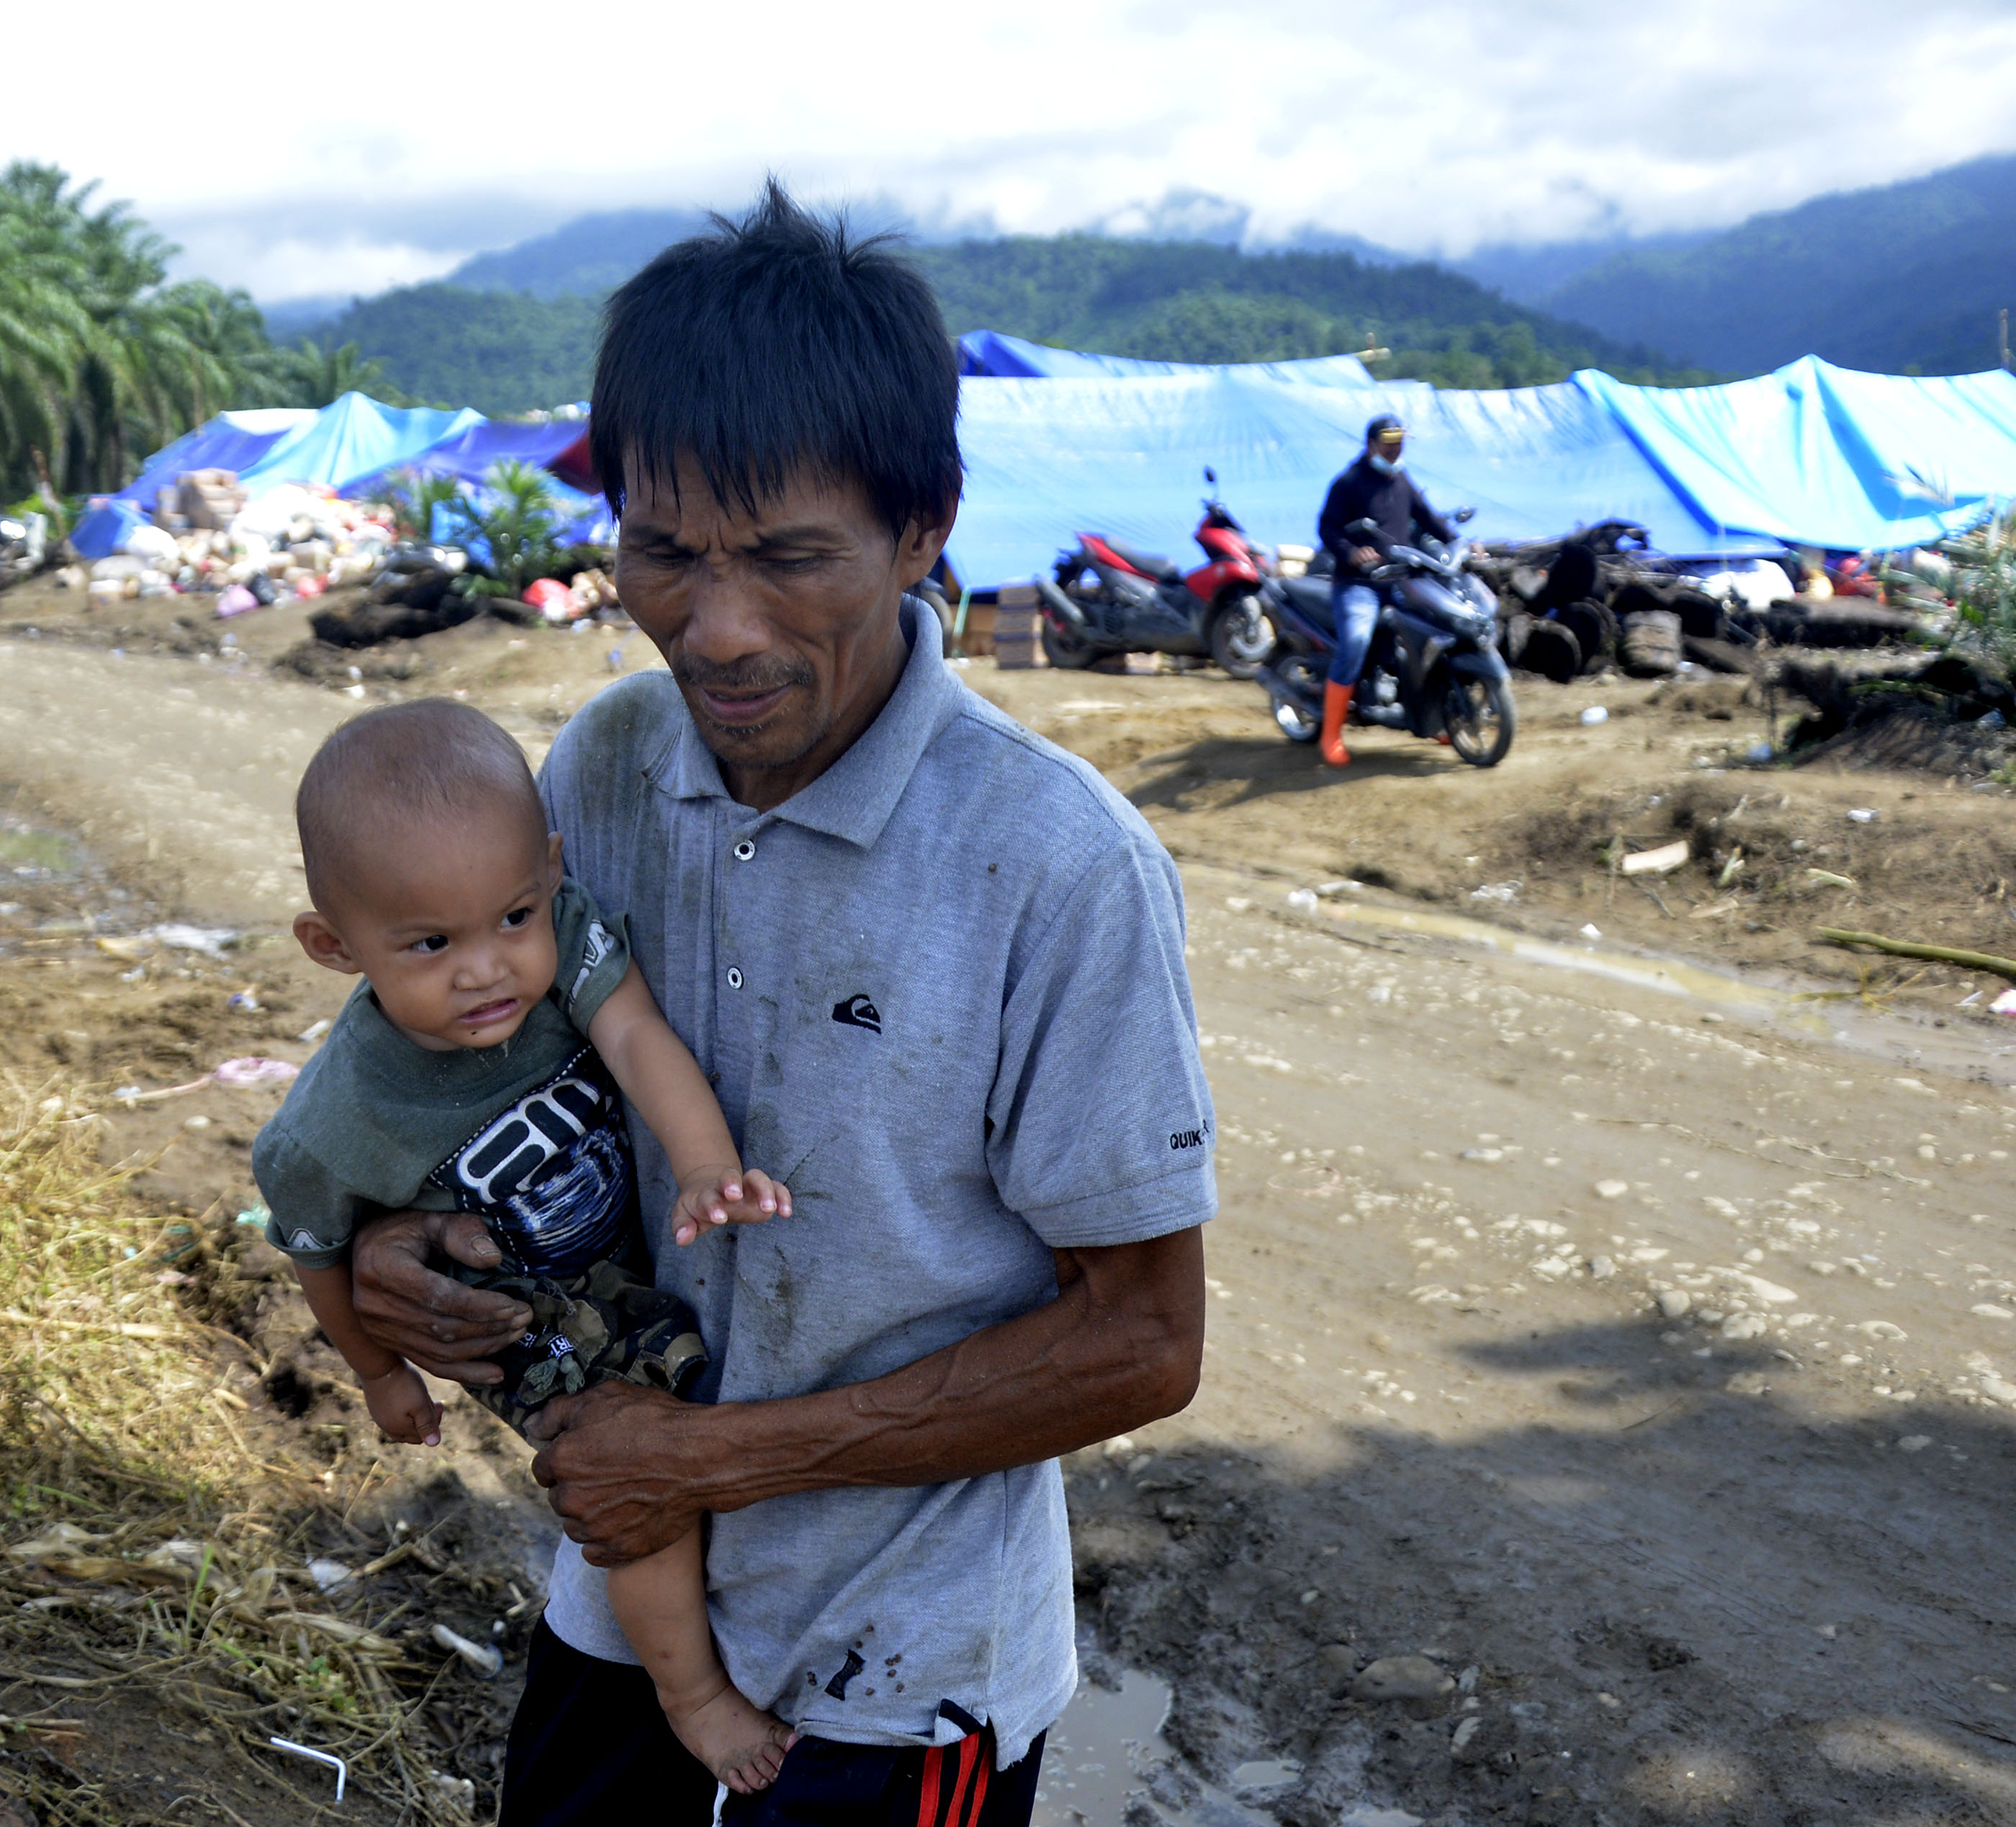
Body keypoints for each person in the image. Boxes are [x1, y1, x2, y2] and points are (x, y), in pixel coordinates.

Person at [345, 184, 1215, 1826]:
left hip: (904, 1680)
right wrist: (408, 1259)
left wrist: (713, 1458)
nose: (715, 629)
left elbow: (1145, 1341)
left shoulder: (1058, 865)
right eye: (663, 553)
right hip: (624, 1605)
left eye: (787, 559)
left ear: (921, 528)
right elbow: (503, 1093)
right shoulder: (599, 770)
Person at [251, 698, 799, 1791]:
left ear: (549, 874)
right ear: (331, 946)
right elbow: (313, 1243)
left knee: (695, 1407)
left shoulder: (570, 938)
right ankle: (693, 1698)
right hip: (523, 1313)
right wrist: (376, 1370)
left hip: (619, 1245)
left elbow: (635, 1032)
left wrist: (703, 1165)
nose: (486, 970)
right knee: (625, 1463)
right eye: (429, 944)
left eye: (511, 916)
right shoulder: (334, 1119)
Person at [1313, 413, 1453, 766]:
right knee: (1357, 642)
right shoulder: (1348, 482)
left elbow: (1428, 517)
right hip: (1359, 585)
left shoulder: (1401, 479)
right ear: (1371, 444)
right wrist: (1352, 552)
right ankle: (1331, 734)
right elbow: (1327, 528)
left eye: (1400, 442)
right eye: (1389, 443)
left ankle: (1434, 717)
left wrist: (1459, 542)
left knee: (1434, 636)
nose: (1395, 449)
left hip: (1402, 580)